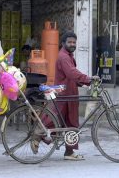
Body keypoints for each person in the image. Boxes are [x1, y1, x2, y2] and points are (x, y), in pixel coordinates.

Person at [31, 31, 99, 160]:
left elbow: (72, 76)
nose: (72, 44)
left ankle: (69, 152)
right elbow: (71, 73)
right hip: (64, 94)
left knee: (71, 123)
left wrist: (82, 82)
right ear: (63, 43)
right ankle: (37, 136)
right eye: (70, 42)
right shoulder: (63, 57)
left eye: (74, 42)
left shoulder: (69, 56)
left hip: (70, 93)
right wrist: (87, 79)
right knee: (54, 120)